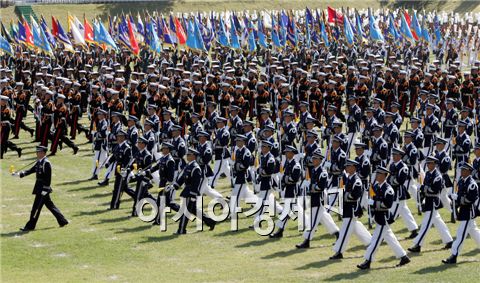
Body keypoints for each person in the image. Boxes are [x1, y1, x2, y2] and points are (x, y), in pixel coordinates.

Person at [357, 167, 410, 269]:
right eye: (376, 174)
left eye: (379, 174)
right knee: (390, 238)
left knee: (375, 241)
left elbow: (388, 204)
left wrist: (374, 203)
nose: (376, 176)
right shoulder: (376, 186)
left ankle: (368, 261)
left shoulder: (388, 189)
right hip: (378, 217)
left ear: (384, 176)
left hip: (384, 218)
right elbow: (373, 198)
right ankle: (403, 257)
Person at [14, 145, 68, 231]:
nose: (36, 153)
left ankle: (30, 226)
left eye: (38, 152)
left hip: (43, 190)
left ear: (43, 153)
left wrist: (45, 190)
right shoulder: (39, 162)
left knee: (35, 209)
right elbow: (31, 170)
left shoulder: (46, 163)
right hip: (39, 188)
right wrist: (19, 174)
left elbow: (48, 178)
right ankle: (63, 221)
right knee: (50, 206)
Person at [408, 156, 453, 253]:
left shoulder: (437, 176)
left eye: (430, 163)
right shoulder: (428, 173)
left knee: (425, 225)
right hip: (428, 201)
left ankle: (418, 244)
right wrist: (422, 190)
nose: (428, 165)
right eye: (427, 163)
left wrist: (424, 188)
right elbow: (426, 187)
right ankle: (449, 241)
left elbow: (434, 190)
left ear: (435, 164)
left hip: (433, 202)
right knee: (439, 223)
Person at [330, 159, 371, 259]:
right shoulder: (349, 178)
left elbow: (355, 195)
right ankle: (371, 242)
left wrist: (344, 195)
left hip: (351, 209)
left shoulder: (356, 180)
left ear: (353, 167)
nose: (346, 168)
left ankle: (339, 251)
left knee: (344, 231)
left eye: (348, 166)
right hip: (348, 208)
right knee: (355, 227)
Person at [170, 148, 216, 234]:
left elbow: (196, 183)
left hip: (191, 192)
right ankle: (210, 221)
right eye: (187, 154)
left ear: (193, 156)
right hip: (187, 190)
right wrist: (174, 186)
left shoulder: (195, 168)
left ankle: (181, 230)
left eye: (189, 155)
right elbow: (182, 178)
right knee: (193, 210)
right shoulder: (188, 165)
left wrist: (193, 195)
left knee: (185, 211)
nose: (187, 156)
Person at [443, 163, 480, 264]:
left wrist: (458, 198)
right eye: (461, 170)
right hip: (464, 212)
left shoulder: (472, 184)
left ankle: (454, 255)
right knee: (474, 232)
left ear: (468, 171)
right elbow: (459, 195)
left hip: (469, 212)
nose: (461, 172)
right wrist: (453, 200)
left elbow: (469, 200)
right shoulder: (461, 181)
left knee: (460, 234)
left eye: (463, 170)